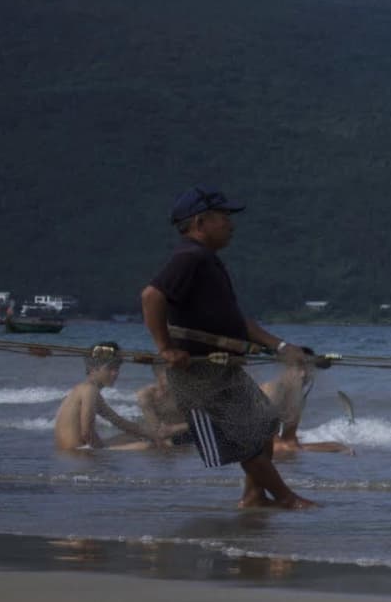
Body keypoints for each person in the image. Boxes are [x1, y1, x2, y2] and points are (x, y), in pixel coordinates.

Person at [140, 190, 315, 511]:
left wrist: (279, 346)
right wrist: (165, 347)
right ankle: (287, 499)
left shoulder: (207, 260)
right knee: (242, 440)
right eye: (224, 218)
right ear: (199, 222)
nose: (230, 225)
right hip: (198, 370)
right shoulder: (189, 257)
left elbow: (236, 319)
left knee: (265, 424)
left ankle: (254, 496)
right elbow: (151, 296)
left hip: (224, 366)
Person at [51, 346, 153, 454]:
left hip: (70, 453)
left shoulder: (86, 388)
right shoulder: (90, 390)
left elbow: (118, 421)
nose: (115, 373)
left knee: (133, 437)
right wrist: (103, 453)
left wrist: (151, 433)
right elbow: (87, 432)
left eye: (117, 369)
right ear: (93, 369)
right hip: (75, 453)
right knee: (146, 447)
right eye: (110, 369)